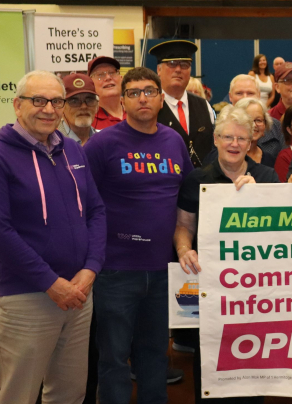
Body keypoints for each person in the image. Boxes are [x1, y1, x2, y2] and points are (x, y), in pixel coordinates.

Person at [0, 70, 106, 404]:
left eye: (56, 101)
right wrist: (52, 283)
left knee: (69, 393)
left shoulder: (73, 152)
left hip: (79, 295)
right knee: (18, 395)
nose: (49, 109)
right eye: (39, 100)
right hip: (28, 298)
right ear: (17, 105)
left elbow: (96, 212)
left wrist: (90, 269)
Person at [85, 67, 194, 404]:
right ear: (123, 99)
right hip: (115, 271)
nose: (143, 98)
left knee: (154, 357)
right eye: (134, 92)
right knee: (114, 358)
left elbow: (186, 200)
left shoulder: (174, 141)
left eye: (149, 91)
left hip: (163, 271)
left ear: (162, 99)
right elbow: (85, 204)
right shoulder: (102, 144)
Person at [175, 107, 277, 403]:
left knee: (252, 362)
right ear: (216, 140)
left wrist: (261, 197)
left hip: (256, 291)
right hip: (212, 288)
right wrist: (184, 249)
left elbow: (283, 234)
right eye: (228, 137)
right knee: (209, 359)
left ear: (250, 143)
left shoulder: (267, 177)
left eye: (241, 139)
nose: (234, 144)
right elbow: (183, 225)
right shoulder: (197, 179)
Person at [150, 39, 215, 168]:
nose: (178, 69)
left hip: (201, 183)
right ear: (159, 70)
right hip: (165, 182)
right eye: (172, 64)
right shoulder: (150, 105)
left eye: (184, 64)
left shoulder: (204, 105)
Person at [228, 74, 284, 163]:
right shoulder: (220, 128)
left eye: (250, 93)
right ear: (230, 97)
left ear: (258, 95)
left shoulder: (276, 126)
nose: (245, 97)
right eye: (239, 93)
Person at [234, 97, 276, 168]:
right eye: (248, 120)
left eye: (258, 120)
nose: (254, 125)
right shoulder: (229, 155)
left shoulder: (270, 160)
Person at [60, 73, 98, 145]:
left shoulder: (104, 141)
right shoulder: (50, 143)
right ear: (62, 106)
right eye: (74, 101)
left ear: (97, 105)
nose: (84, 106)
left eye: (89, 100)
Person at [89, 56, 126, 129]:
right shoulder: (89, 120)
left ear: (121, 79)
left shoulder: (135, 111)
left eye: (112, 72)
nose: (108, 78)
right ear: (91, 83)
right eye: (100, 75)